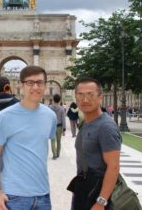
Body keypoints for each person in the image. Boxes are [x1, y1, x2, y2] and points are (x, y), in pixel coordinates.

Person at [0, 65, 57, 210]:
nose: (35, 87)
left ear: (45, 85)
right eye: (30, 83)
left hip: (43, 193)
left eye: (40, 82)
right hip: (14, 195)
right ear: (21, 85)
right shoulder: (4, 116)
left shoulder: (50, 116)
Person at [71, 77, 122, 210]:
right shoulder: (85, 123)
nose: (85, 100)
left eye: (90, 95)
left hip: (97, 192)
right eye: (80, 95)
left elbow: (114, 167)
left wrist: (101, 202)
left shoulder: (106, 126)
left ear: (100, 97)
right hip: (84, 188)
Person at [50, 94, 66, 159]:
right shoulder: (62, 109)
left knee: (53, 140)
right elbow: (63, 119)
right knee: (59, 141)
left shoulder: (50, 108)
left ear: (53, 99)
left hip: (52, 126)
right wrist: (64, 128)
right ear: (59, 100)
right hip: (59, 126)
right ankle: (58, 153)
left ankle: (54, 154)